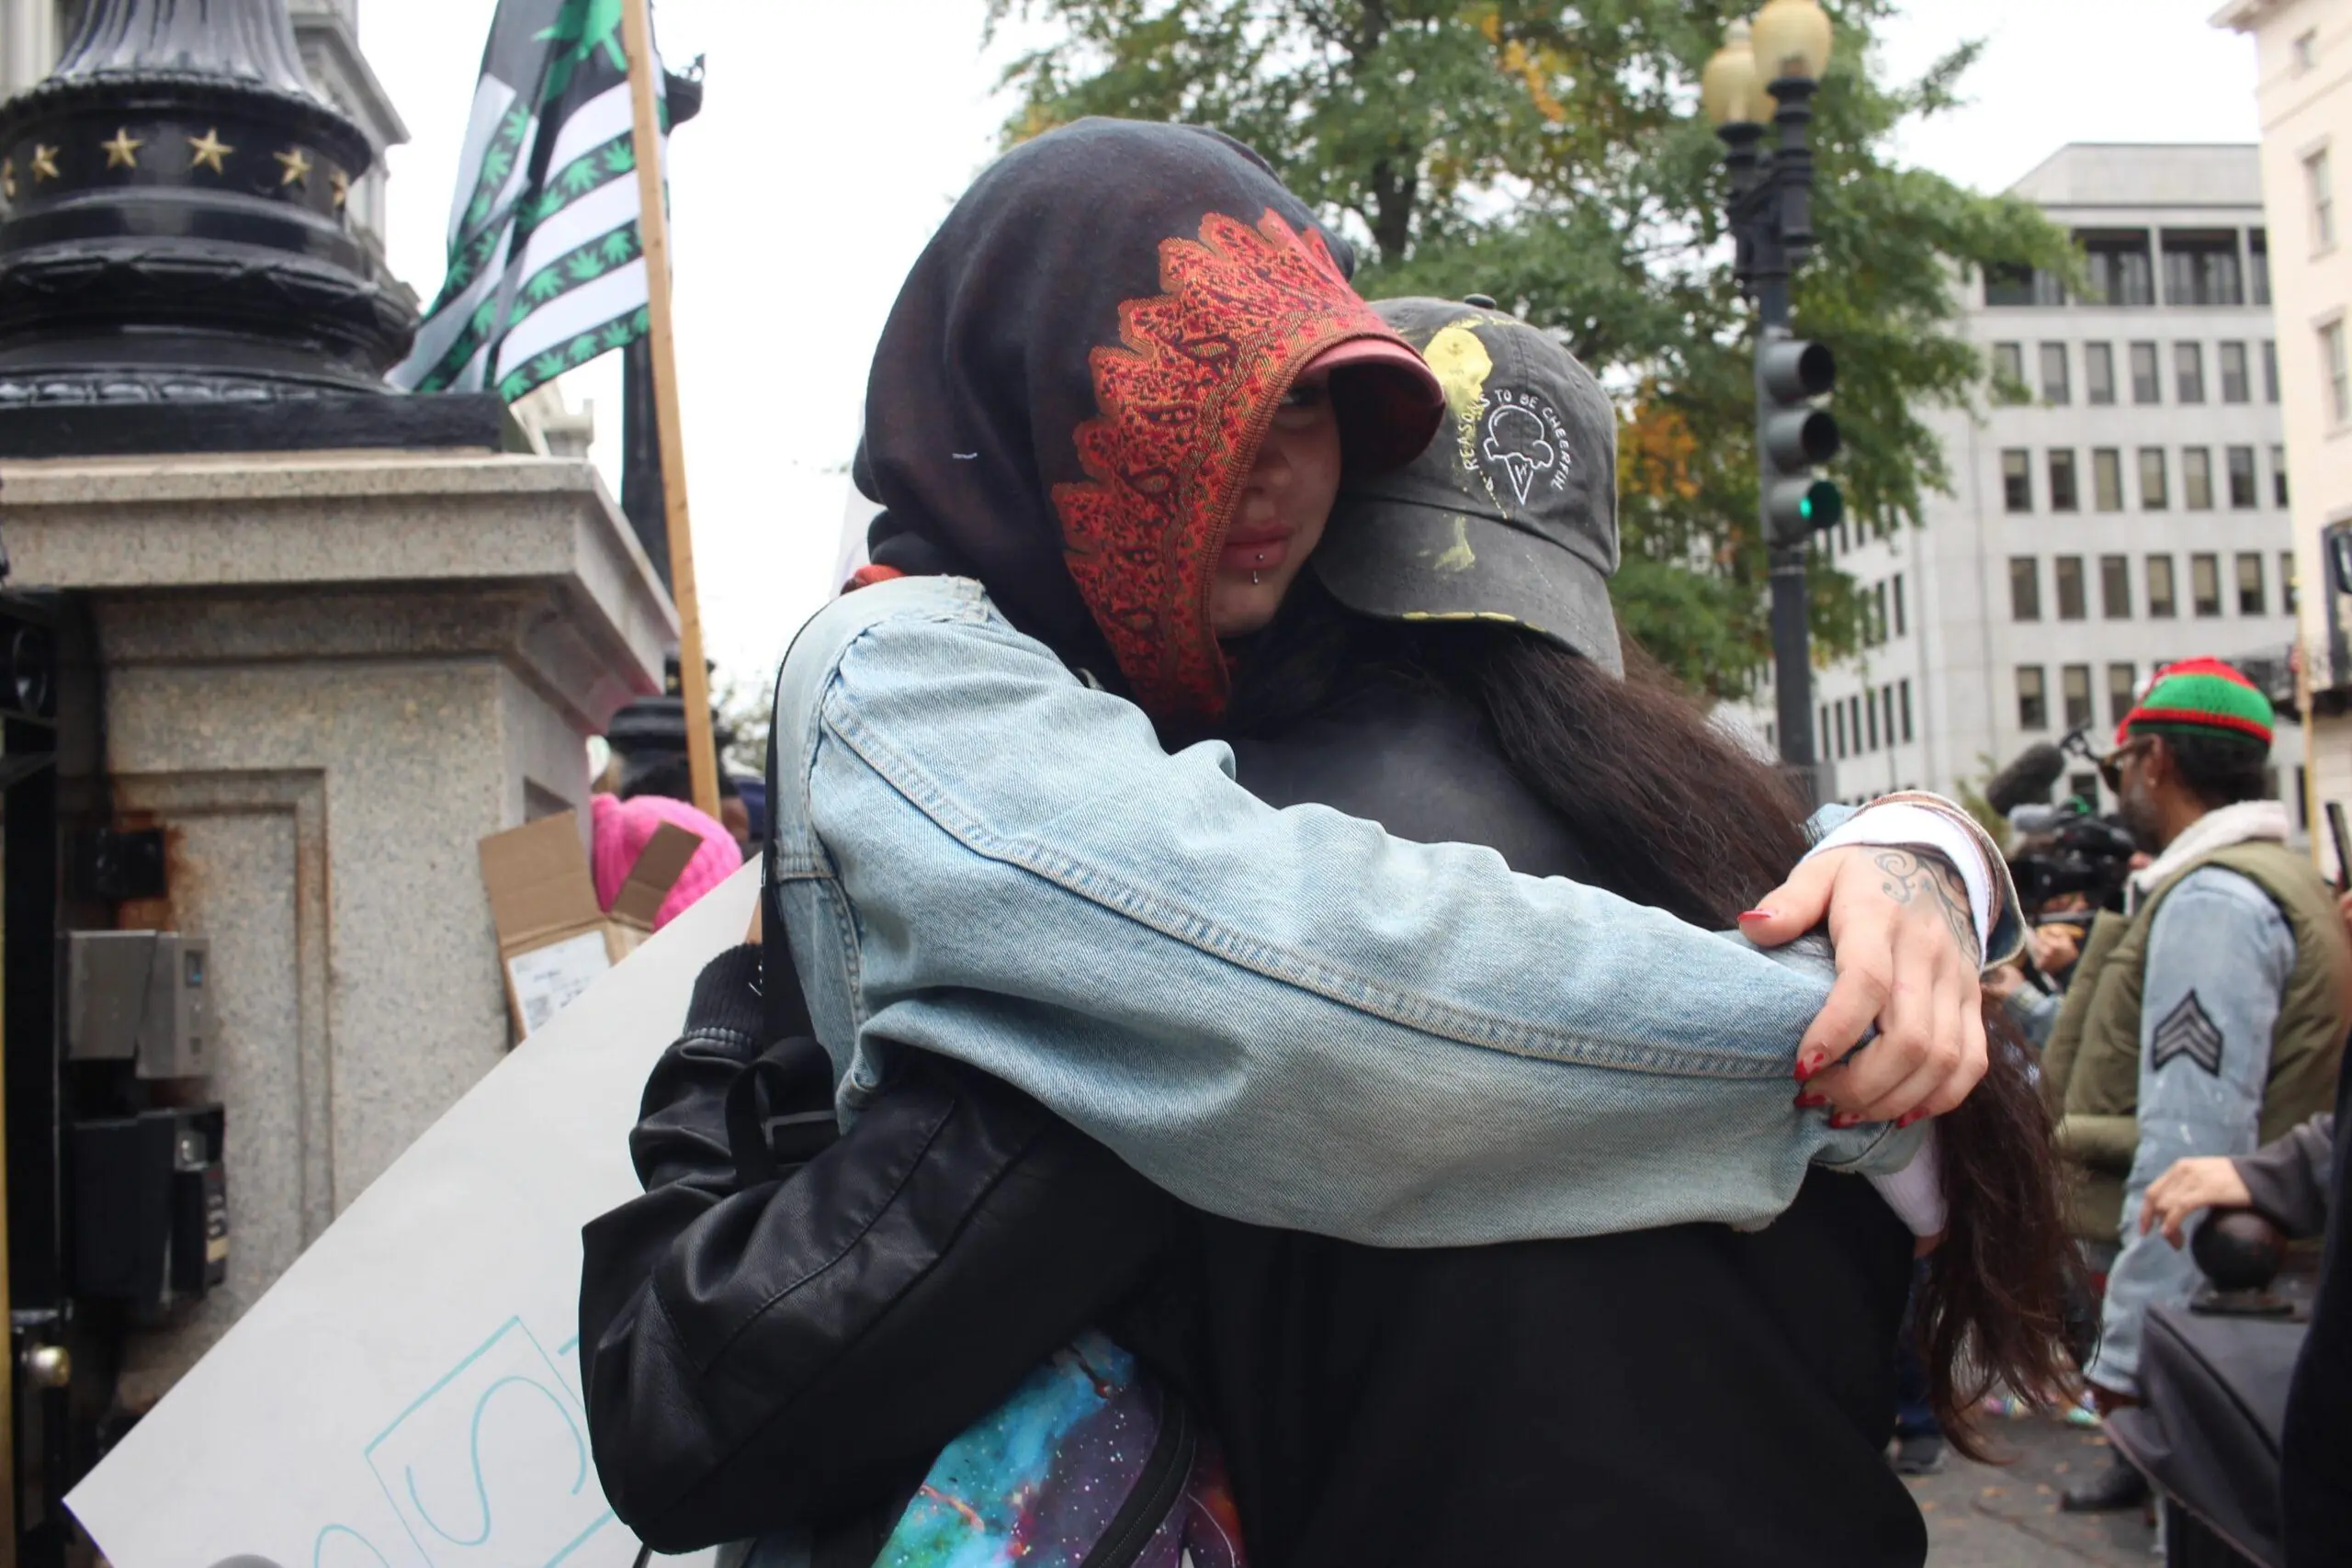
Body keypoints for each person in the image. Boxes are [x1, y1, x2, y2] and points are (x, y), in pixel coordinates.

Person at [580, 123, 2064, 1561]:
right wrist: (1905, 895)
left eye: (1312, 414)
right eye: (1214, 412)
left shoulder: (1198, 930)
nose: (1267, 475)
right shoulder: (1766, 874)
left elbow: (691, 1401)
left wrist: (735, 1034)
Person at [2040, 660, 2350, 1512]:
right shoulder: (2277, 875)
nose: (2120, 788)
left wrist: (2130, 1356)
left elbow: (2193, 1143)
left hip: (2232, 1305)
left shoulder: (2215, 900)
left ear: (2156, 760)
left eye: (2119, 767)